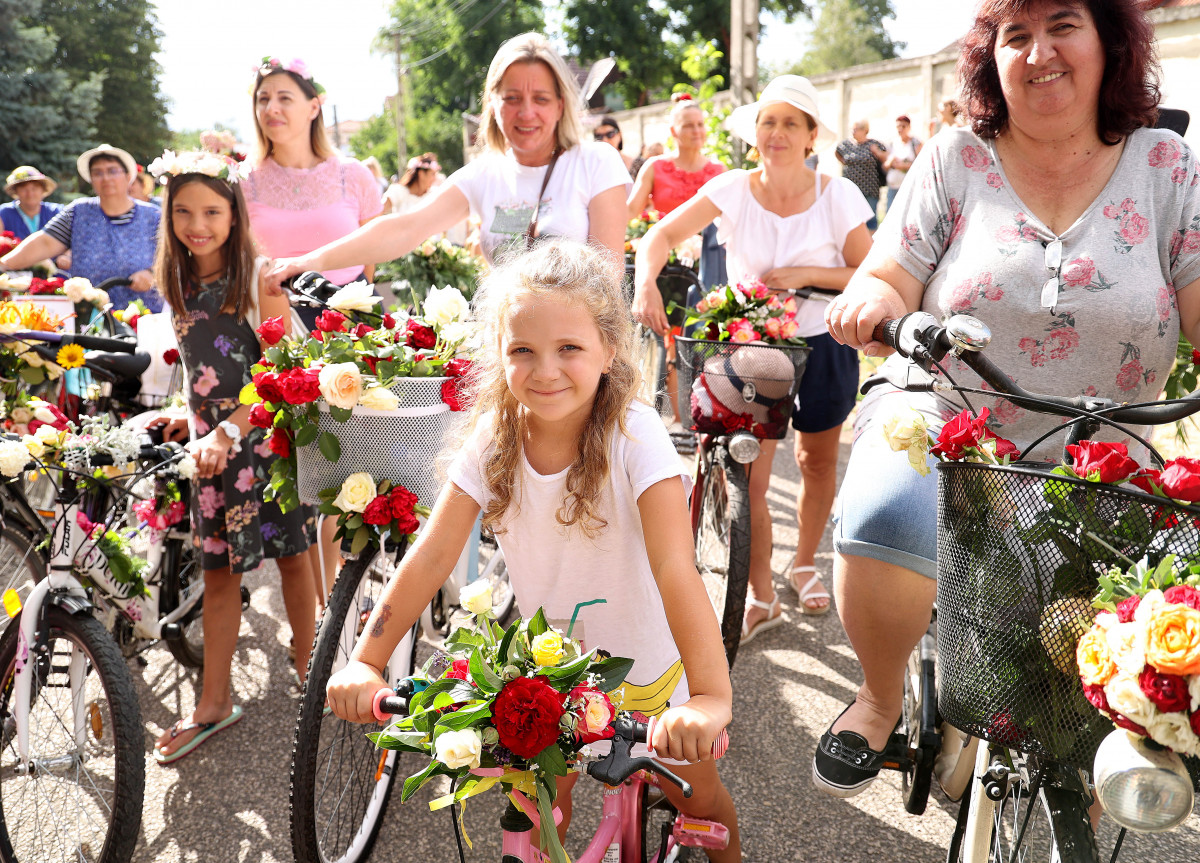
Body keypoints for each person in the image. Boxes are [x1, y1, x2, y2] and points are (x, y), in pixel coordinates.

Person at [815, 0, 1200, 798]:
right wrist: (870, 304)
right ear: (991, 61)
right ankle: (879, 697)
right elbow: (887, 275)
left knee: (1103, 696)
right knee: (890, 511)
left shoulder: (1165, 165)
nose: (1038, 51)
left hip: (1101, 446)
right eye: (1015, 36)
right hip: (949, 418)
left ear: (1109, 42)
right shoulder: (956, 157)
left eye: (1062, 25)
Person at [325, 239, 740, 860]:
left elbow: (674, 568)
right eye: (523, 350)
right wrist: (366, 660)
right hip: (553, 671)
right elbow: (433, 555)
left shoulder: (635, 433)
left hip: (652, 672)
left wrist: (708, 698)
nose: (546, 370)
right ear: (499, 353)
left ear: (609, 350)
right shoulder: (494, 438)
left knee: (699, 800)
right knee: (540, 809)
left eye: (569, 348)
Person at [633, 75, 873, 634]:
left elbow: (868, 271)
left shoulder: (837, 195)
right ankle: (761, 594)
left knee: (817, 462)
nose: (777, 133)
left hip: (826, 343)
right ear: (755, 133)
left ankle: (805, 563)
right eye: (768, 121)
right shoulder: (733, 188)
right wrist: (646, 283)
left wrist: (806, 273)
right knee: (750, 478)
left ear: (811, 136)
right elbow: (658, 237)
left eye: (791, 123)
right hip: (754, 347)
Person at [147, 150, 317, 764]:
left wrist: (227, 430)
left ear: (235, 215)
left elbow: (278, 375)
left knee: (294, 559)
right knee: (219, 573)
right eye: (184, 212)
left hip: (264, 443)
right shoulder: (178, 283)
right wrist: (187, 414)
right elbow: (201, 369)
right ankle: (214, 703)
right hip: (212, 454)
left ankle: (313, 674)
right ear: (168, 216)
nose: (198, 225)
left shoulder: (260, 279)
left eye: (212, 212)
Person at [265, 32, 628, 286]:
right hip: (511, 354)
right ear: (493, 104)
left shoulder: (596, 162)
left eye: (542, 99)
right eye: (512, 98)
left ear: (561, 105)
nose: (526, 112)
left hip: (578, 356)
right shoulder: (482, 175)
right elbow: (404, 229)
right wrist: (309, 261)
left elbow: (607, 278)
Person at [243, 55, 382, 326]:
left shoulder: (353, 175)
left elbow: (371, 252)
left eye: (284, 98)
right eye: (263, 99)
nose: (271, 108)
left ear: (313, 108)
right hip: (274, 324)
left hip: (353, 321)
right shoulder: (242, 181)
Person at [0, 144, 162, 311]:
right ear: (91, 179)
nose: (105, 178)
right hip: (89, 315)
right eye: (97, 173)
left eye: (112, 171)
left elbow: (173, 258)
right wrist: (3, 264)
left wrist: (153, 273)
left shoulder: (154, 216)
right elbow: (45, 242)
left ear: (128, 176)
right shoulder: (79, 212)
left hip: (144, 314)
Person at [627, 94, 725, 219]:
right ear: (673, 131)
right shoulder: (654, 167)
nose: (696, 131)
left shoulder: (720, 171)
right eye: (688, 125)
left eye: (700, 124)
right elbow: (630, 213)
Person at [835, 120, 887, 231]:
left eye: (856, 129)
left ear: (865, 130)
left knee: (870, 219)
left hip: (870, 188)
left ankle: (871, 240)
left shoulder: (874, 144)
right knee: (852, 219)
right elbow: (837, 152)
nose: (853, 132)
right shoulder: (846, 144)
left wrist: (876, 152)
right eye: (852, 129)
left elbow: (885, 157)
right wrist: (843, 162)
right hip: (850, 189)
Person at [0, 166, 62, 241]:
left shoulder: (57, 211)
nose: (30, 194)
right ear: (16, 191)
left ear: (43, 190)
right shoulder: (3, 213)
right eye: (24, 189)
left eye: (34, 189)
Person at [381, 152, 440, 217]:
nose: (435, 178)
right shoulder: (398, 191)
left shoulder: (434, 193)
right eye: (432, 174)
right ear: (421, 174)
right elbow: (379, 211)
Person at [882, 115, 921, 212]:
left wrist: (904, 165)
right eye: (898, 126)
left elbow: (921, 164)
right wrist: (891, 162)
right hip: (893, 186)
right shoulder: (892, 143)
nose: (900, 129)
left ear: (909, 127)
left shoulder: (915, 143)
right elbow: (885, 166)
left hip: (908, 187)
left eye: (903, 126)